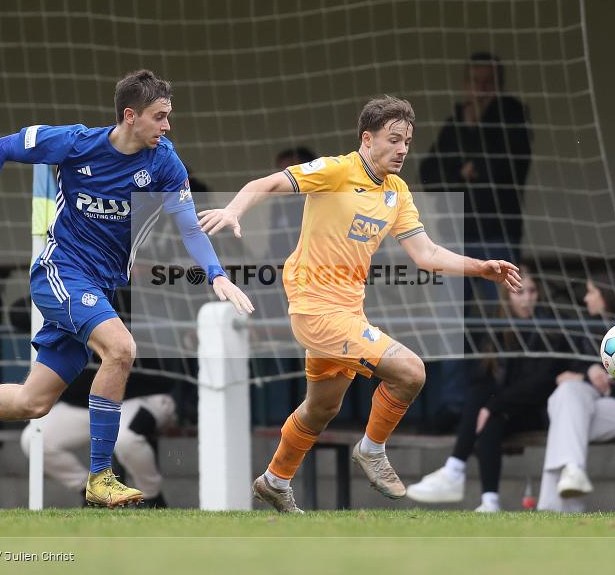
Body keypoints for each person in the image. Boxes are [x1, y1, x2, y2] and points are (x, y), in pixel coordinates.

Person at [0, 70, 254, 508]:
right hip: (60, 272)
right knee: (121, 349)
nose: (167, 126)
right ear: (130, 116)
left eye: (168, 117)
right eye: (159, 117)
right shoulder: (76, 143)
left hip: (98, 287)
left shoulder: (164, 163)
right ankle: (100, 476)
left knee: (31, 402)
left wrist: (215, 273)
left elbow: (189, 227)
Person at [199, 95, 522, 513]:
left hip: (349, 311)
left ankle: (275, 480)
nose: (403, 148)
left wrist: (482, 268)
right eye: (393, 139)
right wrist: (233, 210)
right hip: (315, 307)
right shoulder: (336, 170)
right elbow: (267, 184)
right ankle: (372, 450)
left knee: (321, 408)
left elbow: (426, 254)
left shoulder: (397, 191)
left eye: (407, 140)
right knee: (410, 373)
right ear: (366, 139)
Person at [406, 270, 560, 512]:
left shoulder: (550, 332)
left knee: (487, 409)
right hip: (500, 411)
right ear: (507, 296)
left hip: (534, 412)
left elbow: (539, 386)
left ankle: (455, 469)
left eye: (532, 291)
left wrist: (492, 405)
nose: (527, 298)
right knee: (485, 412)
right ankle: (489, 501)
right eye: (520, 292)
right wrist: (491, 406)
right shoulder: (495, 331)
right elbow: (481, 379)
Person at [14, 292, 175, 508]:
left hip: (141, 397)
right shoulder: (63, 293)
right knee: (35, 439)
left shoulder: (123, 293)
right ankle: (94, 493)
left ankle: (151, 498)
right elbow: (16, 313)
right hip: (84, 404)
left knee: (126, 439)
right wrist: (60, 307)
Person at [537, 272, 615, 512]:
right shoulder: (591, 324)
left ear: (607, 296)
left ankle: (554, 505)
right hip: (605, 401)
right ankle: (573, 470)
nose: (585, 299)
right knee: (567, 393)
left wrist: (594, 378)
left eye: (592, 292)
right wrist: (590, 371)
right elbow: (573, 370)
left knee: (566, 417)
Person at [419, 51, 531, 277]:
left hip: (498, 235)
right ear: (465, 85)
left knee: (499, 309)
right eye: (475, 82)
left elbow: (503, 168)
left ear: (499, 86)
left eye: (488, 82)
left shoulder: (513, 120)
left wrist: (478, 124)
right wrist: (460, 173)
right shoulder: (455, 125)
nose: (480, 89)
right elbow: (428, 174)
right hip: (455, 238)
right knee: (451, 310)